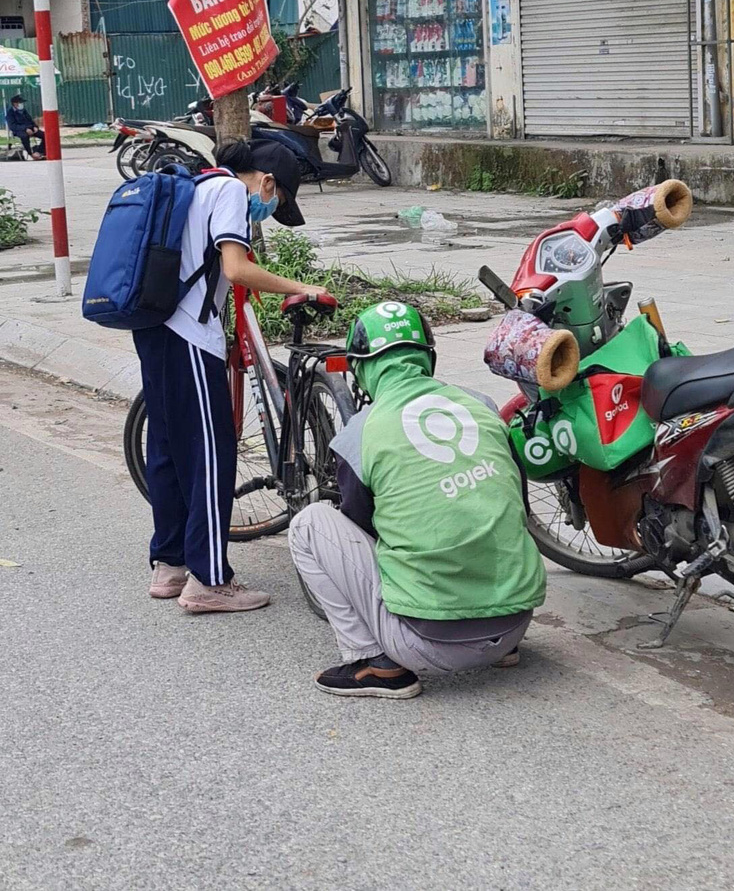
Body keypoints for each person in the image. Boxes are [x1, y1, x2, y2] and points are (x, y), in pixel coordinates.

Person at [289, 302, 546, 699]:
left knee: (309, 524)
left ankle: (378, 664)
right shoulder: (482, 404)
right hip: (516, 622)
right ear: (429, 356)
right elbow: (515, 494)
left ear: (361, 368)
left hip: (428, 645)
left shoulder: (358, 435)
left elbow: (363, 526)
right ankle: (501, 644)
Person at [137, 138, 333, 614]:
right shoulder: (227, 192)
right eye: (276, 200)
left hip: (154, 328)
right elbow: (236, 267)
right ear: (266, 181)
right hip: (187, 336)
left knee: (166, 446)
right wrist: (303, 285)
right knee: (210, 452)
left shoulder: (198, 184)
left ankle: (170, 564)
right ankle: (209, 580)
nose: (268, 208)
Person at [5, 93, 45, 159]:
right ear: (15, 104)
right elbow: (13, 126)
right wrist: (25, 129)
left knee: (45, 135)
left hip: (30, 128)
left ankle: (39, 152)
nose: (21, 104)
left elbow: (30, 120)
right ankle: (31, 154)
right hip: (19, 131)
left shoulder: (24, 111)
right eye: (20, 102)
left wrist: (35, 126)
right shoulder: (10, 113)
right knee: (24, 136)